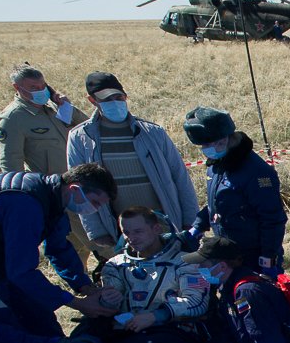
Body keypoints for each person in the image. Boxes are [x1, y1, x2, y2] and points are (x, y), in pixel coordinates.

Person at [0, 164, 121, 337]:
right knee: (4, 324)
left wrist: (85, 287)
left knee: (37, 317)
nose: (94, 209)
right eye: (95, 202)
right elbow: (21, 272)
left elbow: (59, 249)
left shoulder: (53, 199)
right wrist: (76, 303)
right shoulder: (25, 202)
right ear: (74, 188)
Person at [67, 72, 199, 258]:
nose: (115, 102)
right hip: (122, 230)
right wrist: (96, 231)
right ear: (92, 100)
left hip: (162, 222)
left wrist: (190, 220)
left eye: (118, 97)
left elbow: (179, 176)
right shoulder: (81, 138)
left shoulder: (152, 132)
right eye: (106, 99)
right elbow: (80, 189)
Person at [0, 63, 93, 261]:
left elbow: (88, 128)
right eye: (33, 88)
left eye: (42, 86)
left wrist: (67, 108)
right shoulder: (13, 119)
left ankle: (84, 280)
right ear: (17, 88)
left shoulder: (53, 110)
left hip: (82, 184)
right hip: (56, 192)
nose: (40, 91)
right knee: (90, 239)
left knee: (77, 244)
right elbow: (11, 164)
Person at [182, 106, 287, 277]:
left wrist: (268, 258)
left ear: (223, 139)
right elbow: (216, 205)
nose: (204, 150)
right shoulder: (217, 165)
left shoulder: (256, 173)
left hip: (252, 255)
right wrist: (198, 227)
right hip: (227, 253)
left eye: (207, 144)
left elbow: (273, 219)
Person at [94, 206, 210, 337]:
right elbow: (108, 307)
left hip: (171, 333)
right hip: (123, 335)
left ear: (156, 229)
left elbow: (197, 303)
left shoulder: (185, 262)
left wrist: (157, 316)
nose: (131, 238)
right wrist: (108, 300)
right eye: (126, 232)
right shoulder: (115, 265)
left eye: (138, 231)